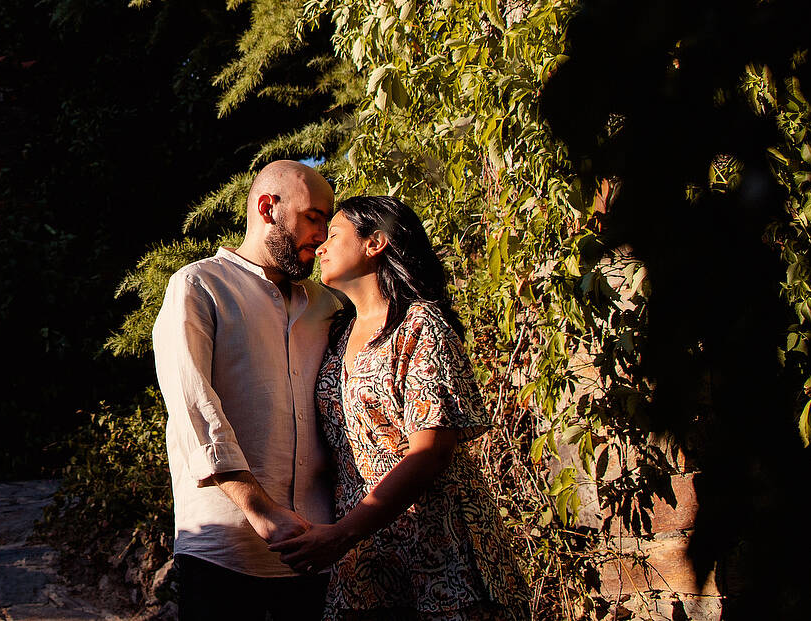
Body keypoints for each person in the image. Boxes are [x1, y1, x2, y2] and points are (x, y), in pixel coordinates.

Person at [270, 195, 529, 620]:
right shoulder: (337, 336)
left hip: (438, 548)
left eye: (333, 234)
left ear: (375, 244)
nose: (320, 247)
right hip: (366, 565)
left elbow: (431, 451)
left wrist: (342, 534)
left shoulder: (420, 324)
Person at [152, 159, 340, 621]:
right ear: (267, 207)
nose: (321, 236)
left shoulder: (327, 304)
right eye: (313, 218)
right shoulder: (199, 285)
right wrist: (260, 509)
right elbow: (195, 408)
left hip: (316, 553)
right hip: (227, 549)